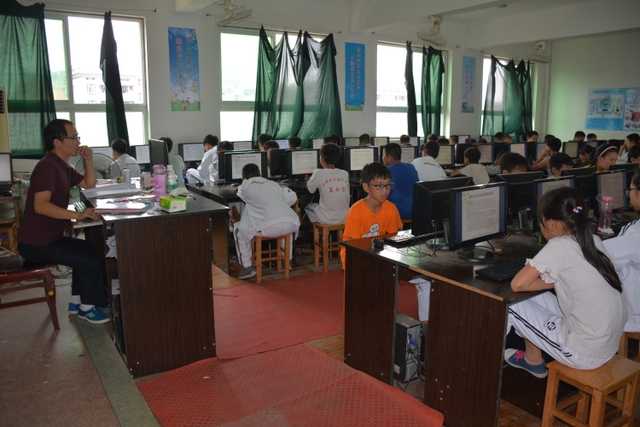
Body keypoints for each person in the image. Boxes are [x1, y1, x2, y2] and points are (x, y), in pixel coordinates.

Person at [505, 187, 625, 377]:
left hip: (584, 352)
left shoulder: (559, 245)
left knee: (509, 305)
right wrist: (563, 281)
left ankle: (485, 364)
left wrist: (557, 281)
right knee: (529, 298)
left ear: (551, 223)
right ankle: (532, 359)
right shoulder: (593, 240)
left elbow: (517, 284)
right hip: (606, 343)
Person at [17, 119, 109, 324]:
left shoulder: (62, 166)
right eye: (73, 138)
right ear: (57, 142)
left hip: (51, 238)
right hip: (36, 244)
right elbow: (41, 206)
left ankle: (76, 301)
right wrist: (78, 214)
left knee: (88, 249)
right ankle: (87, 308)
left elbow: (89, 184)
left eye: (78, 137)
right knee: (90, 263)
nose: (78, 142)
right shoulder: (47, 167)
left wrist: (88, 160)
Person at [233, 163, 300, 280]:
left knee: (238, 228)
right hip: (291, 224)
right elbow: (292, 198)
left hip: (268, 228)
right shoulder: (273, 184)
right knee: (283, 222)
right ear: (260, 175)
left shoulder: (244, 187)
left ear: (243, 179)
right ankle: (287, 261)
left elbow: (242, 195)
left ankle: (247, 267)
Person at [340, 162, 402, 267]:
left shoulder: (391, 209)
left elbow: (393, 239)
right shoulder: (356, 211)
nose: (385, 190)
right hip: (354, 256)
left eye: (388, 185)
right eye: (379, 186)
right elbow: (354, 246)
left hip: (378, 253)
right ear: (366, 187)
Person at [603, 169, 640, 333]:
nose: (629, 195)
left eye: (630, 190)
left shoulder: (635, 234)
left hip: (633, 318)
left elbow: (602, 256)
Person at [305, 143, 350, 224]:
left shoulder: (318, 173)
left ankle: (319, 230)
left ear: (322, 159)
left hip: (326, 219)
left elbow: (310, 189)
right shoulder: (345, 174)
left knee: (308, 207)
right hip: (345, 217)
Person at [381, 143, 419, 219]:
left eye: (383, 155)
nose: (382, 158)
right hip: (416, 210)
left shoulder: (386, 171)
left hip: (398, 212)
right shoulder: (411, 167)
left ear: (389, 158)